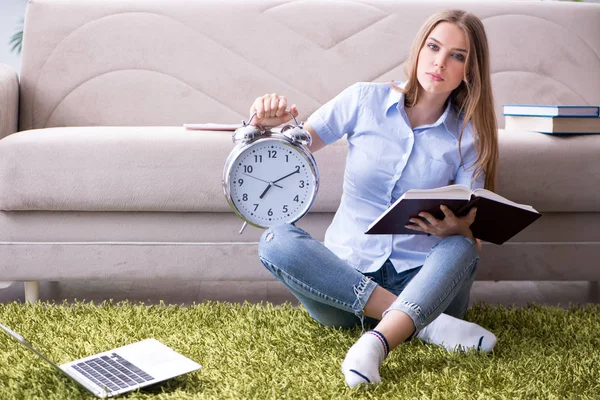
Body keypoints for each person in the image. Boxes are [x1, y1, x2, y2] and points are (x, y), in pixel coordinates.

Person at [250, 9, 499, 387]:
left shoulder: (467, 134)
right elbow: (289, 157)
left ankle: (377, 343)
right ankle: (423, 326)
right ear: (418, 49)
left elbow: (474, 236)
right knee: (275, 239)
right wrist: (262, 128)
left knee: (462, 249)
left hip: (423, 284)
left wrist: (459, 229)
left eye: (457, 55)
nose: (439, 62)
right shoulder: (363, 99)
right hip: (343, 284)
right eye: (433, 47)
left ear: (470, 69)